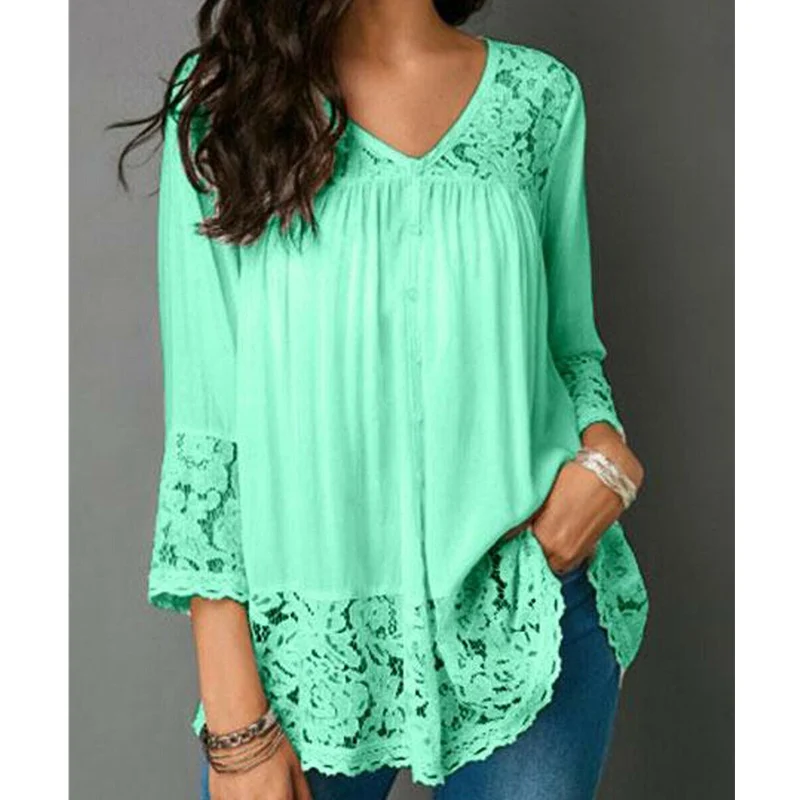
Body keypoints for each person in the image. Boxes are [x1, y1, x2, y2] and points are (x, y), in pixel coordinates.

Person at [112, 1, 650, 798]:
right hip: (309, 658)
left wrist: (604, 456)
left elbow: (569, 347)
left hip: (527, 610)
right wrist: (236, 729)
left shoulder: (539, 99)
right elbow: (207, 427)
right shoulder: (225, 103)